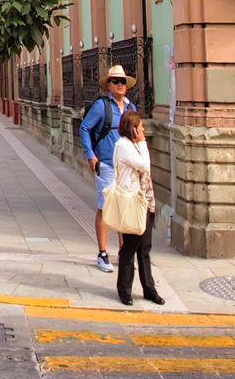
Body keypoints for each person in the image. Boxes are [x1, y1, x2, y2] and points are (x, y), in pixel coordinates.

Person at [77, 64, 138, 274]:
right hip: (106, 164)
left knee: (123, 208)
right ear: (108, 85)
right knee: (105, 207)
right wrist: (90, 155)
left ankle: (123, 251)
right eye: (115, 81)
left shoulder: (131, 108)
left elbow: (137, 134)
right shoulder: (101, 106)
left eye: (122, 81)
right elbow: (85, 127)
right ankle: (102, 253)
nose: (119, 85)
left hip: (126, 167)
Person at [111, 111, 164, 305]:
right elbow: (145, 166)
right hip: (134, 203)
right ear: (132, 129)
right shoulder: (124, 146)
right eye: (140, 127)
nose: (143, 130)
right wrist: (142, 143)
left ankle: (149, 289)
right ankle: (124, 290)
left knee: (145, 248)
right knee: (130, 248)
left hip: (146, 202)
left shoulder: (132, 145)